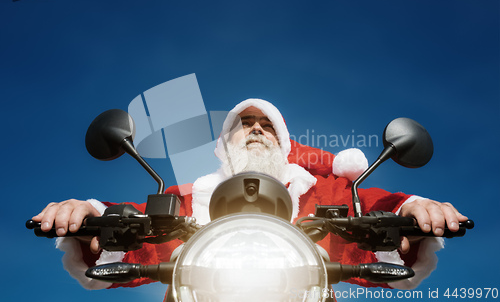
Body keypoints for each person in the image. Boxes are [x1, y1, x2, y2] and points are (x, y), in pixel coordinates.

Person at [32, 98, 467, 293]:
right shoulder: (190, 197)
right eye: (245, 123)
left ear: (284, 142)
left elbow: (375, 206)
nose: (256, 129)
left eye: (267, 125)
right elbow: (135, 225)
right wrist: (86, 214)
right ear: (225, 143)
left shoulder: (325, 191)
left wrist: (413, 210)